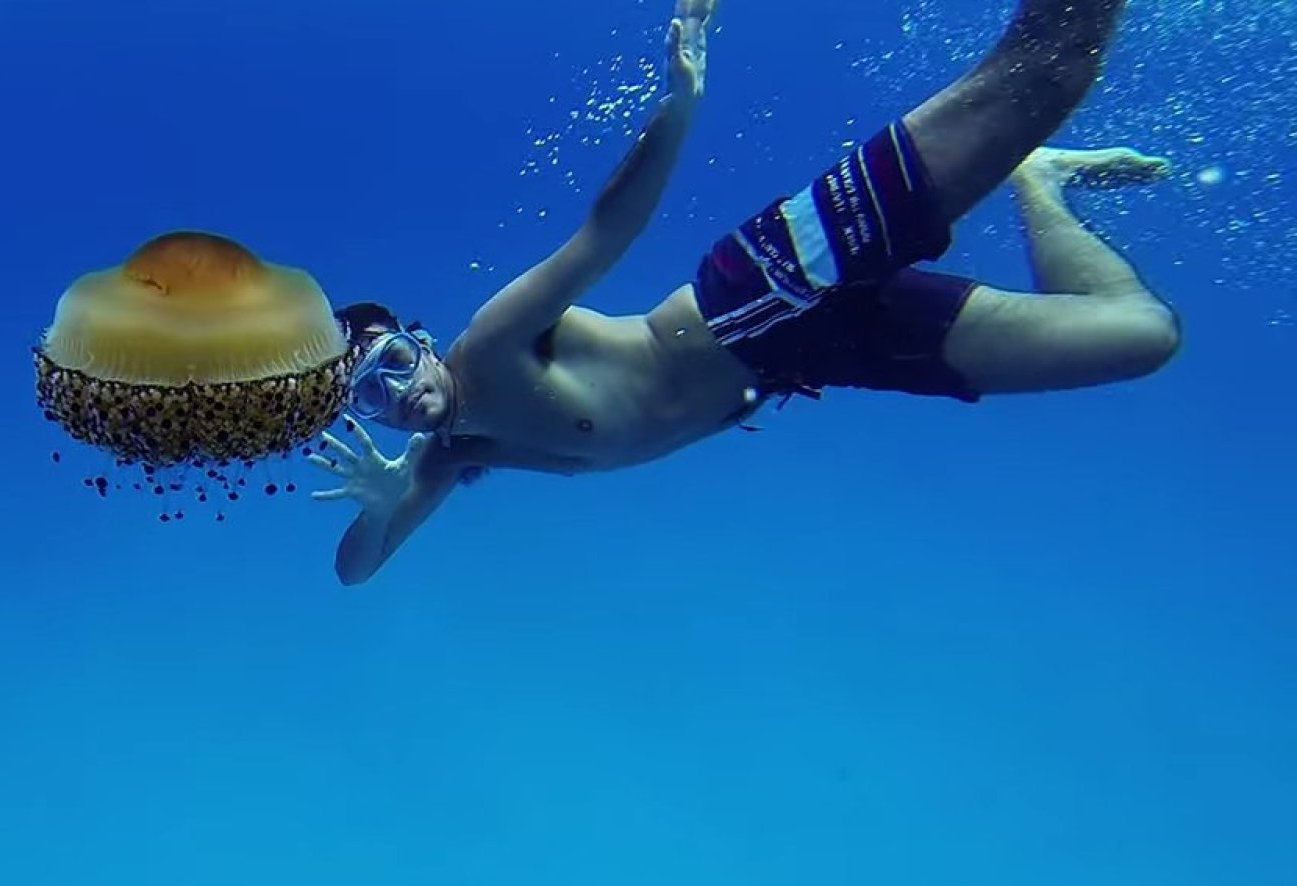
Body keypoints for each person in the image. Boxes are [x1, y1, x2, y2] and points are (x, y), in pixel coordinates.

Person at [311, 0, 1179, 586]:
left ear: (418, 340)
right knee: (1140, 336)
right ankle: (1041, 184)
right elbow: (357, 570)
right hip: (811, 358)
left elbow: (605, 233)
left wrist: (678, 106)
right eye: (370, 398)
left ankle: (1033, 146)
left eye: (390, 363)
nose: (398, 394)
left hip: (758, 293)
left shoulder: (492, 345)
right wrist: (387, 504)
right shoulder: (457, 451)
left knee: (1046, 71)